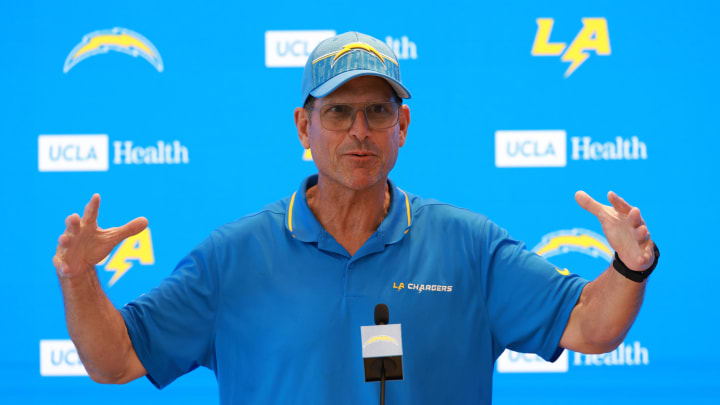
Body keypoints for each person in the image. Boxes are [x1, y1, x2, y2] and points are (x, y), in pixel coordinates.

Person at [53, 32, 658, 404]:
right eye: (339, 111)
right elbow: (114, 361)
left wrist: (629, 269)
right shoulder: (233, 257)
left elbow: (591, 328)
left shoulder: (469, 246)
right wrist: (80, 282)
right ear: (304, 127)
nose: (360, 131)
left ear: (403, 126)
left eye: (378, 110)